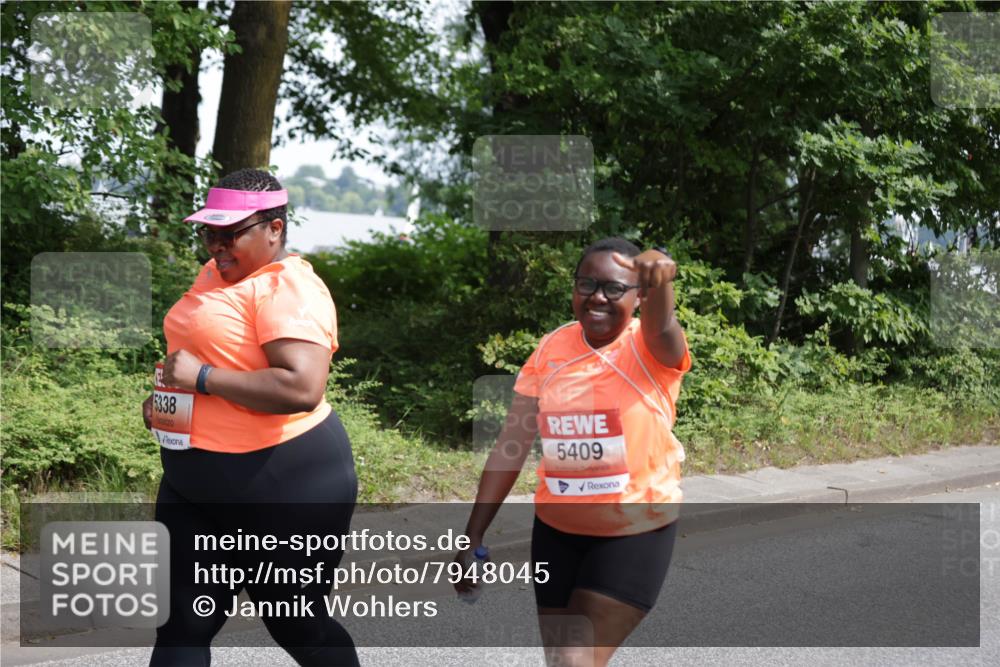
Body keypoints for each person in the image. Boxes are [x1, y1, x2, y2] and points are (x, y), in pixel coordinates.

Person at [143, 168, 359, 666]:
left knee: (297, 624)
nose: (216, 245)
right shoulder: (219, 273)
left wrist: (200, 378)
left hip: (286, 485)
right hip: (192, 484)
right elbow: (203, 352)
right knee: (179, 625)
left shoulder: (290, 288)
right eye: (209, 232)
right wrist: (166, 403)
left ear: (274, 229)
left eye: (230, 233)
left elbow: (301, 386)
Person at [455, 238, 691, 667]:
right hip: (556, 533)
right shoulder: (551, 349)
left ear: (640, 297)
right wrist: (473, 536)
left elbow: (662, 326)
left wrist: (662, 278)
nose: (598, 296)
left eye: (615, 288)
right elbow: (512, 446)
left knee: (573, 662)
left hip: (633, 533)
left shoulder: (649, 348)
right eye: (587, 283)